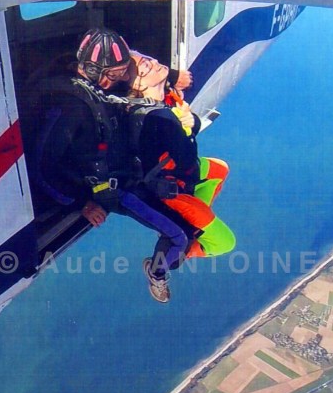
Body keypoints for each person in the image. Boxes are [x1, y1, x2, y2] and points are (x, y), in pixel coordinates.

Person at [34, 28, 193, 303]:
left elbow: (137, 63)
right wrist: (81, 204)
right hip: (116, 191)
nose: (119, 79)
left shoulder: (93, 84)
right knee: (179, 236)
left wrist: (172, 76)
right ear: (94, 70)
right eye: (115, 74)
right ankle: (156, 274)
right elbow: (41, 167)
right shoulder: (71, 109)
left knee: (183, 222)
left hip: (127, 174)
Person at [127, 51, 236, 262]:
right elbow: (186, 157)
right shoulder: (157, 117)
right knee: (226, 242)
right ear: (138, 84)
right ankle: (183, 251)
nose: (155, 62)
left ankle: (190, 220)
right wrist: (186, 125)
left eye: (151, 59)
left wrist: (190, 120)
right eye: (147, 66)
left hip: (175, 174)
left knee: (219, 169)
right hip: (170, 189)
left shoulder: (161, 101)